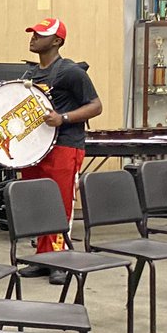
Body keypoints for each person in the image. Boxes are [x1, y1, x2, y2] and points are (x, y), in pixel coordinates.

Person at [18, 17, 102, 287]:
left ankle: (60, 259)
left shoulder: (71, 72)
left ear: (57, 41)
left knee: (59, 203)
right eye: (33, 34)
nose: (33, 38)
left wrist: (63, 118)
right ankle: (44, 257)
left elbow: (96, 106)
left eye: (40, 35)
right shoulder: (30, 75)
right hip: (36, 149)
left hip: (65, 145)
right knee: (37, 203)